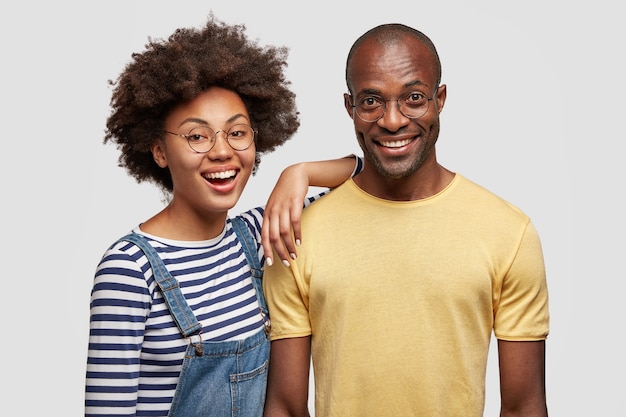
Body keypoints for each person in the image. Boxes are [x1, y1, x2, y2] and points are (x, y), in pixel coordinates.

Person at [262, 23, 550, 417]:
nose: (393, 120)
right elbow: (284, 408)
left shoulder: (508, 232)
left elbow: (524, 407)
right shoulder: (297, 234)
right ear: (350, 107)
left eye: (414, 98)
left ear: (440, 99)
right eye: (371, 102)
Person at [84, 15, 361, 417]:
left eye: (237, 132)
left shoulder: (257, 233)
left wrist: (298, 173)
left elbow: (366, 173)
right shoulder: (128, 270)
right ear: (159, 151)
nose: (221, 151)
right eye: (197, 136)